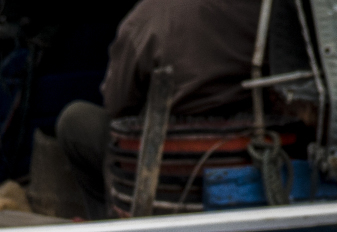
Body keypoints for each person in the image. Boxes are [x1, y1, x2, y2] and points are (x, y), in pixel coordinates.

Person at [56, 0, 262, 219]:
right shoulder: (261, 8)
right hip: (251, 153)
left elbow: (117, 104)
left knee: (74, 120)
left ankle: (108, 226)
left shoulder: (148, 16)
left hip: (166, 165)